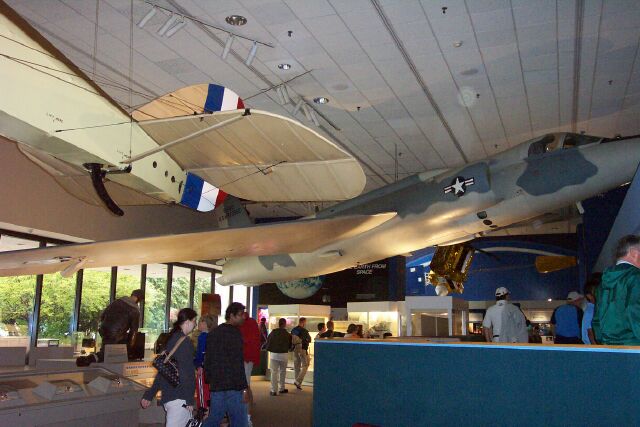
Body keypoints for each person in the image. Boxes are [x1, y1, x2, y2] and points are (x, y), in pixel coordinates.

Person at [141, 308, 197, 427]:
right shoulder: (185, 342)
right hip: (180, 397)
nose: (195, 325)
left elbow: (163, 370)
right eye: (194, 321)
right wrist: (189, 399)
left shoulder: (171, 339)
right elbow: (187, 373)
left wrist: (150, 394)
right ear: (187, 322)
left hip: (169, 396)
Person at [203, 303, 249, 427]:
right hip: (234, 385)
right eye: (240, 314)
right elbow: (237, 363)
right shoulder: (236, 334)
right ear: (231, 316)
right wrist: (244, 388)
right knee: (240, 422)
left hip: (217, 385)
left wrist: (210, 379)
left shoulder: (213, 333)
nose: (243, 317)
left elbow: (208, 359)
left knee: (214, 419)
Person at [593, 235, 640, 345]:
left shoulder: (603, 282)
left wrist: (603, 341)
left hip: (608, 346)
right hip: (634, 345)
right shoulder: (636, 277)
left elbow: (596, 319)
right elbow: (635, 310)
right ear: (634, 253)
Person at [76, 289, 143, 366]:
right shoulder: (135, 310)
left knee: (106, 350)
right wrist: (130, 348)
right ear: (139, 299)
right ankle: (87, 360)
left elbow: (103, 315)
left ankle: (90, 359)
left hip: (104, 329)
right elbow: (133, 331)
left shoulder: (117, 302)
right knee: (107, 353)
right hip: (116, 334)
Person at [239, 312, 261, 427]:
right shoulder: (252, 323)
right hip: (249, 358)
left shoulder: (243, 324)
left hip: (245, 358)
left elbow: (246, 341)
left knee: (245, 385)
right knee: (246, 384)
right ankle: (248, 410)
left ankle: (247, 416)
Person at [265, 318, 291, 396]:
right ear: (285, 324)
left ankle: (273, 390)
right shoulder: (287, 334)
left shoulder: (273, 332)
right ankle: (282, 388)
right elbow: (290, 345)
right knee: (283, 372)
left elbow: (268, 341)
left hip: (274, 355)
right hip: (284, 355)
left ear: (278, 324)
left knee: (274, 372)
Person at [291, 317, 311, 390]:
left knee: (297, 366)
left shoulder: (293, 330)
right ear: (303, 322)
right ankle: (298, 381)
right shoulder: (304, 331)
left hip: (295, 349)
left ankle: (298, 383)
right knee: (305, 365)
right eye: (305, 322)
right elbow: (309, 339)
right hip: (302, 349)